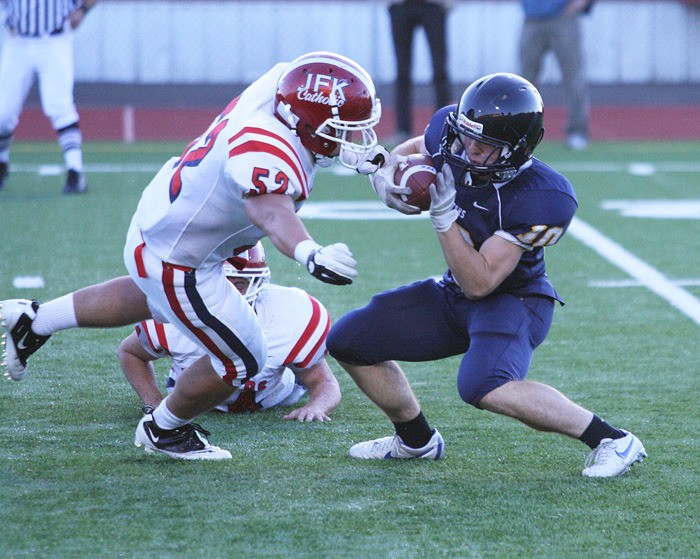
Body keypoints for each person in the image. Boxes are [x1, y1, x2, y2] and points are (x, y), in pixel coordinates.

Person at [0, 51, 385, 460]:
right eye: (343, 129)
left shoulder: (277, 89)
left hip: (162, 215)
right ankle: (164, 429)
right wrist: (309, 251)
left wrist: (384, 168)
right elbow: (270, 209)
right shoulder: (266, 150)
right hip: (183, 258)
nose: (353, 138)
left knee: (151, 295)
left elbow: (304, 78)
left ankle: (37, 320)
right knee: (243, 360)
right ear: (306, 122)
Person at [327, 72, 647, 477]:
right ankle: (416, 441)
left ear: (518, 148)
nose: (470, 148)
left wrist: (443, 218)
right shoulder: (453, 128)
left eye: (486, 145)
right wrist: (388, 172)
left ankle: (613, 440)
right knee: (350, 340)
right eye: (466, 136)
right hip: (452, 294)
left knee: (484, 384)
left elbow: (480, 282)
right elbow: (415, 152)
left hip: (513, 300)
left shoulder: (545, 197)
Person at [118, 243, 340, 422]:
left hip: (277, 396)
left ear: (258, 283)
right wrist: (153, 402)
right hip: (192, 398)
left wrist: (316, 406)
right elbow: (131, 353)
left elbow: (325, 383)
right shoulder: (170, 318)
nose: (228, 294)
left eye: (238, 284)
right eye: (220, 284)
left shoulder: (288, 315)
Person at [0, 0, 96, 193]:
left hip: (53, 40)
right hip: (17, 42)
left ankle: (75, 172)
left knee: (59, 106)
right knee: (3, 112)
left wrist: (83, 10)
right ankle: (1, 163)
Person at [519, 0, 594, 151]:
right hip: (531, 17)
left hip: (563, 17)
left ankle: (577, 131)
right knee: (525, 82)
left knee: (573, 77)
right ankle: (522, 131)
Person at [387, 0, 451, 145]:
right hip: (401, 6)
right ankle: (402, 130)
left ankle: (445, 126)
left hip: (434, 5)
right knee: (402, 73)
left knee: (439, 71)